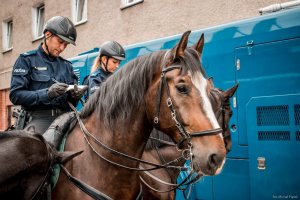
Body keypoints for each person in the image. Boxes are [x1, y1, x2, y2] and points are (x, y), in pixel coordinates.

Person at [9, 16, 87, 134]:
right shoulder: (26, 60)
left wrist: (75, 96)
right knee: (40, 148)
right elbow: (15, 95)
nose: (62, 48)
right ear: (47, 35)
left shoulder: (67, 66)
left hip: (66, 117)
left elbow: (71, 102)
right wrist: (46, 94)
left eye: (66, 45)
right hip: (39, 118)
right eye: (60, 42)